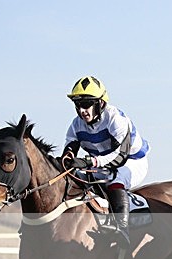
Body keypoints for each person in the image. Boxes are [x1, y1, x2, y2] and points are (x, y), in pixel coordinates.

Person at [61, 76, 150, 247]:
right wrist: (68, 162)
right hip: (103, 165)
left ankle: (123, 229)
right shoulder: (76, 125)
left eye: (87, 104)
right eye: (78, 105)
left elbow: (120, 157)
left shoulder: (115, 119)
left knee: (115, 180)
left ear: (100, 103)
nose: (82, 110)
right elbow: (69, 153)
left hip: (131, 162)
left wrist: (89, 162)